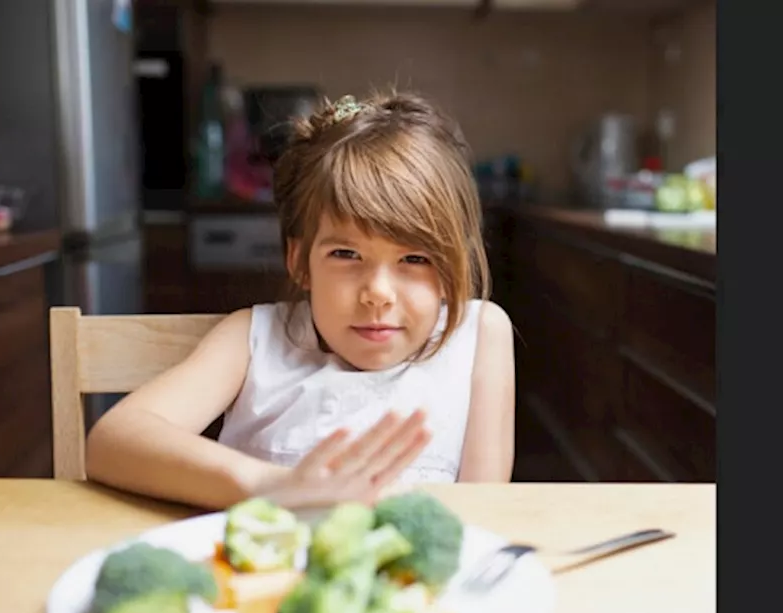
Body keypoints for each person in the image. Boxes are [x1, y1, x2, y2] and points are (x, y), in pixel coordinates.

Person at [86, 90, 515, 509]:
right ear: (299, 261)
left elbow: (483, 511)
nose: (378, 294)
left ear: (452, 266)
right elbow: (112, 440)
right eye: (346, 254)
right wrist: (272, 485)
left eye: (415, 258)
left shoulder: (478, 337)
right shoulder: (252, 339)